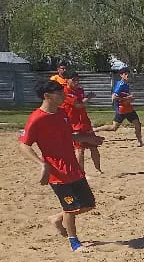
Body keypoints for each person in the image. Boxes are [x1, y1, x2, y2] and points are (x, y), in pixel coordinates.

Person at [18, 79, 103, 251]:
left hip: (73, 167)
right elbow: (24, 145)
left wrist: (87, 139)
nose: (64, 95)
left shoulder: (62, 113)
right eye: (59, 93)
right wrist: (42, 164)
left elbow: (69, 136)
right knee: (70, 208)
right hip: (57, 172)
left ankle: (57, 218)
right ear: (47, 96)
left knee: (88, 204)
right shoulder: (36, 119)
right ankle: (74, 243)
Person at [60, 70, 102, 175]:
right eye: (73, 80)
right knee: (80, 149)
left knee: (94, 146)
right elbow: (78, 105)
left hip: (84, 122)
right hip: (74, 124)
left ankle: (98, 169)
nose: (76, 82)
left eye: (78, 80)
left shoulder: (80, 90)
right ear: (67, 80)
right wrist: (89, 97)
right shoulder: (65, 92)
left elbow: (81, 104)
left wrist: (86, 98)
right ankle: (81, 172)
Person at [98, 68, 143, 146]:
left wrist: (130, 98)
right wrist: (127, 98)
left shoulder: (126, 84)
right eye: (125, 74)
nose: (127, 75)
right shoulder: (120, 85)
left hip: (128, 108)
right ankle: (94, 130)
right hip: (122, 109)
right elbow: (114, 97)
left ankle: (140, 142)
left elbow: (124, 96)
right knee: (113, 128)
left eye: (128, 73)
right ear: (121, 75)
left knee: (137, 124)